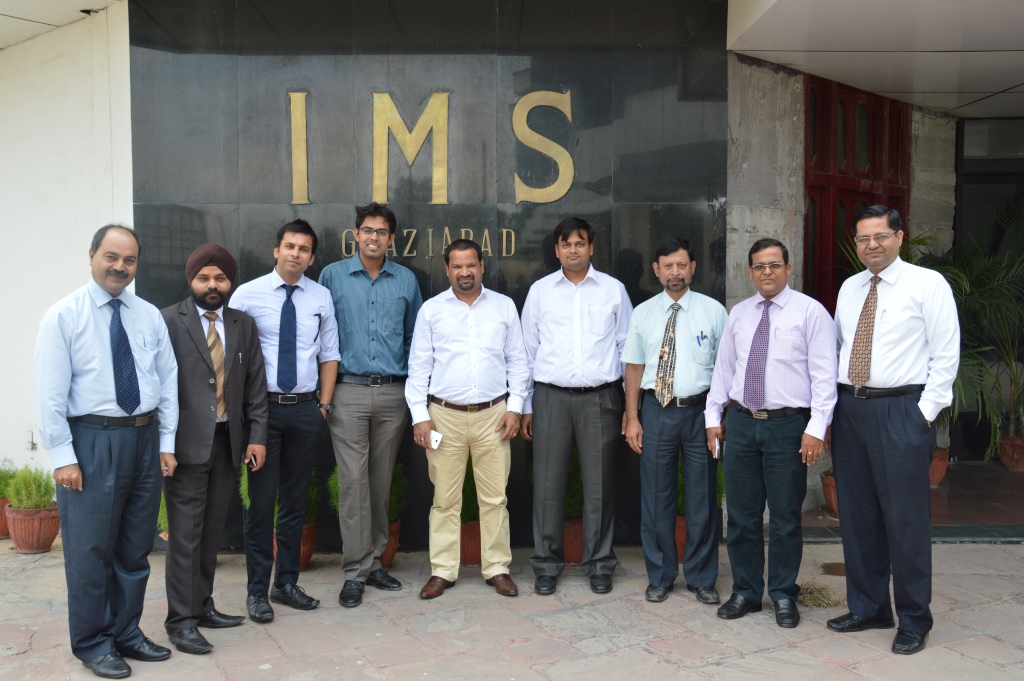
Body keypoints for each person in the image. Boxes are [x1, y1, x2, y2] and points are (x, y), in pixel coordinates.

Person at [35, 224, 178, 679]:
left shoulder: (148, 315)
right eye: (111, 257)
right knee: (90, 551)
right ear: (92, 255)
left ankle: (126, 632)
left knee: (135, 549)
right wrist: (63, 456)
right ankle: (93, 643)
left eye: (129, 260)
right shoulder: (64, 315)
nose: (120, 267)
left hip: (143, 439)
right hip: (91, 441)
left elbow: (167, 381)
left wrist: (166, 443)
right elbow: (50, 394)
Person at [827, 206, 959, 655]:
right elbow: (841, 347)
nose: (872, 246)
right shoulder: (850, 288)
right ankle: (869, 607)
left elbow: (946, 354)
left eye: (881, 236)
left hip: (902, 410)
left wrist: (924, 414)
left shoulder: (927, 284)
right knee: (858, 516)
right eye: (863, 239)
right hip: (851, 409)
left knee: (905, 521)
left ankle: (914, 619)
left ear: (900, 237)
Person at [704, 238, 838, 628]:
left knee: (785, 516)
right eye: (759, 266)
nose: (767, 272)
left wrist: (816, 428)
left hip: (788, 426)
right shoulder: (739, 314)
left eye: (774, 265)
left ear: (788, 268)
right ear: (749, 272)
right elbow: (724, 369)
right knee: (741, 516)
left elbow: (824, 376)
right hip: (742, 424)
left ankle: (782, 594)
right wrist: (713, 416)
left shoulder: (810, 312)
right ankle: (746, 591)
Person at [160, 244, 269, 654]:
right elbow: (158, 386)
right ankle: (181, 621)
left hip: (228, 442)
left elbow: (255, 384)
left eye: (220, 278)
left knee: (210, 533)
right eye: (203, 278)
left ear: (230, 281)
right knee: (185, 536)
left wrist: (257, 435)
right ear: (191, 280)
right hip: (185, 447)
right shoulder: (168, 320)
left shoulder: (243, 324)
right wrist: (163, 444)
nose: (212, 285)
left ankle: (203, 606)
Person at [405, 239, 529, 599]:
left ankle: (497, 568)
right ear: (447, 270)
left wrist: (515, 407)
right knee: (444, 500)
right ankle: (442, 570)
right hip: (444, 416)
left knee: (495, 499)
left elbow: (518, 362)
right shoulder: (431, 310)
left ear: (482, 266)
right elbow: (418, 368)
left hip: (494, 415)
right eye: (457, 266)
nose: (464, 272)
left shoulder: (504, 307)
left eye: (471, 265)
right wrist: (420, 417)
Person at [230, 219, 340, 622]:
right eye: (290, 246)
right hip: (263, 413)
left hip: (306, 411)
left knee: (295, 502)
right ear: (276, 250)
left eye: (304, 249)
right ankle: (257, 591)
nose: (296, 254)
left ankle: (286, 583)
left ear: (312, 258)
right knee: (261, 505)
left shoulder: (321, 297)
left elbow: (329, 353)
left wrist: (323, 407)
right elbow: (231, 355)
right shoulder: (247, 295)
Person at [520, 217, 632, 596]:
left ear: (591, 248)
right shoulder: (540, 292)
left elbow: (626, 347)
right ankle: (546, 564)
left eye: (580, 243)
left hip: (600, 399)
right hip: (550, 398)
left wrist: (624, 402)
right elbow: (527, 351)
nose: (573, 250)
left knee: (599, 487)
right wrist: (526, 404)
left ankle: (599, 564)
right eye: (566, 244)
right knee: (547, 486)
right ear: (556, 250)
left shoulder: (613, 290)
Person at [318, 203, 422, 608]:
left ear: (391, 239)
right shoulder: (332, 276)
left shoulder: (406, 280)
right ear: (356, 234)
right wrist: (324, 395)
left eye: (381, 231)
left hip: (394, 393)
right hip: (348, 391)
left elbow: (414, 339)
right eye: (367, 230)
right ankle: (354, 572)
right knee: (353, 483)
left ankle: (376, 561)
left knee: (380, 483)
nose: (374, 237)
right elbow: (321, 335)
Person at [621, 236, 727, 604]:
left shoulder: (714, 311)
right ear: (657, 270)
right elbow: (634, 368)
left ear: (693, 267)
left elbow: (726, 368)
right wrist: (632, 417)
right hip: (656, 410)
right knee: (656, 498)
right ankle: (660, 576)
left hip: (701, 412)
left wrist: (718, 417)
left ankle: (702, 577)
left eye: (682, 265)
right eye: (668, 266)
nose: (675, 272)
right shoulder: (643, 313)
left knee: (702, 497)